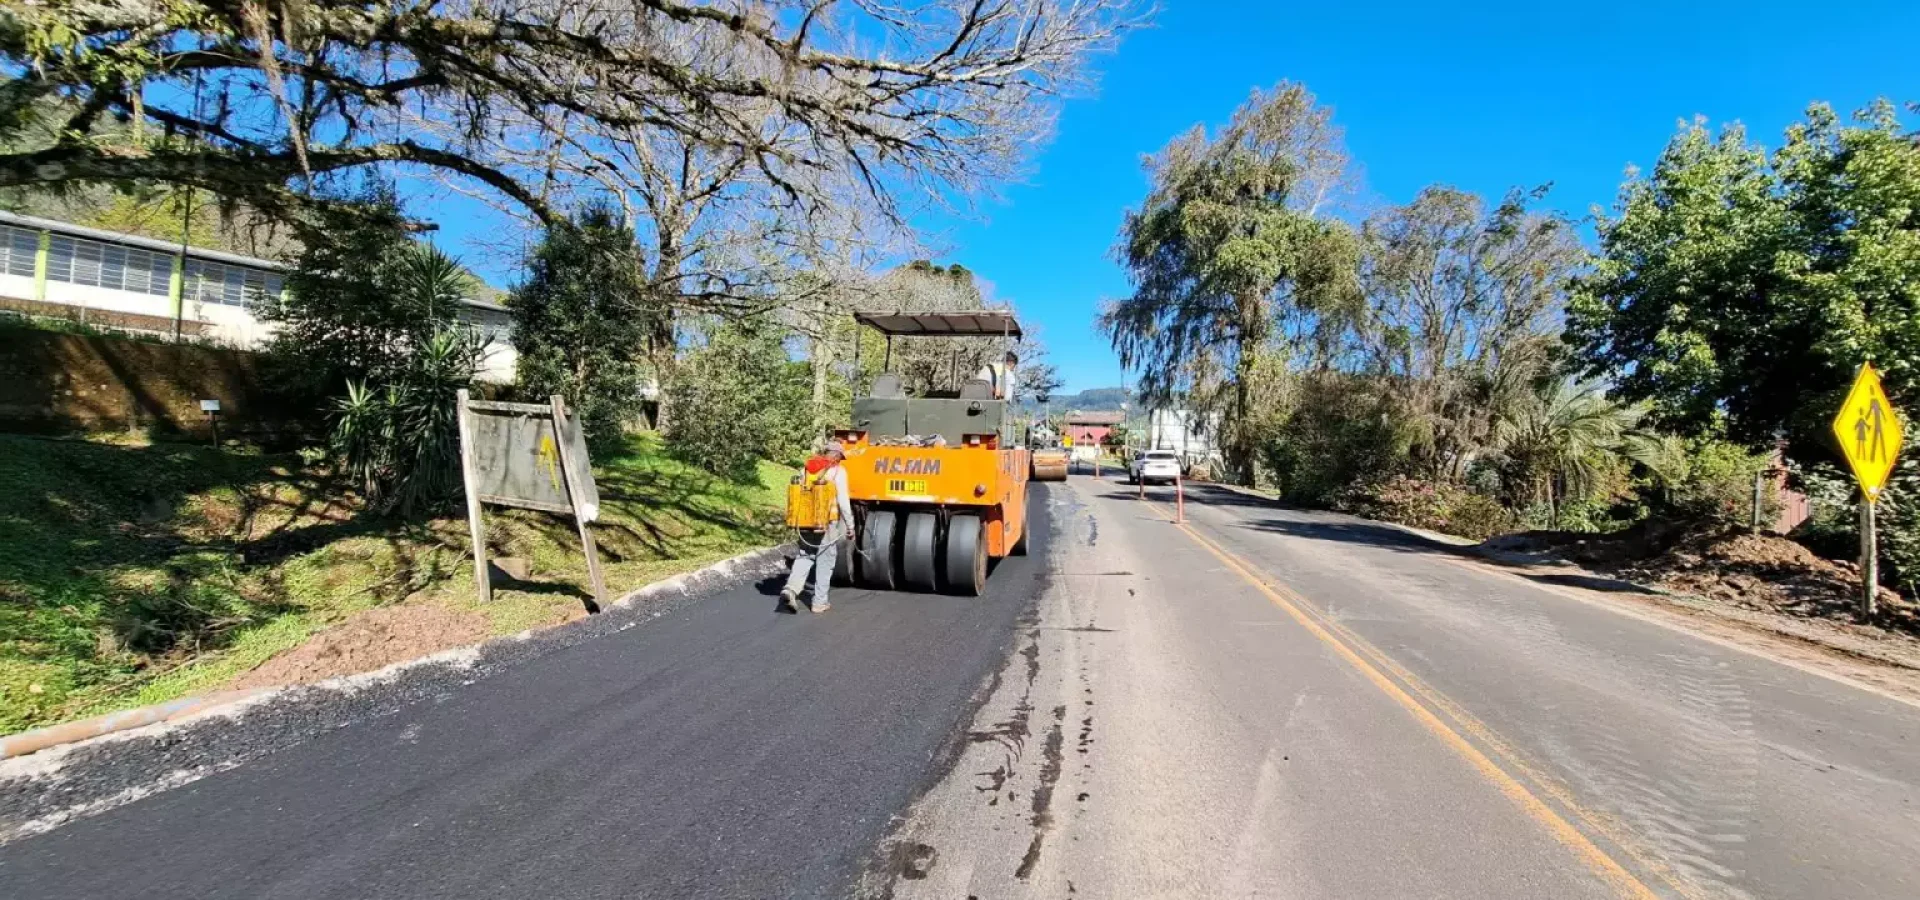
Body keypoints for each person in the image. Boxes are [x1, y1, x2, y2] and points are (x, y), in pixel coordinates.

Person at [782, 441, 856, 613]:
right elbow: (843, 502)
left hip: (805, 521)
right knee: (826, 560)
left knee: (804, 555)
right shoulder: (838, 471)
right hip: (826, 524)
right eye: (840, 457)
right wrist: (850, 525)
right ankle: (819, 602)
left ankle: (790, 589)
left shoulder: (807, 469)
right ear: (837, 456)